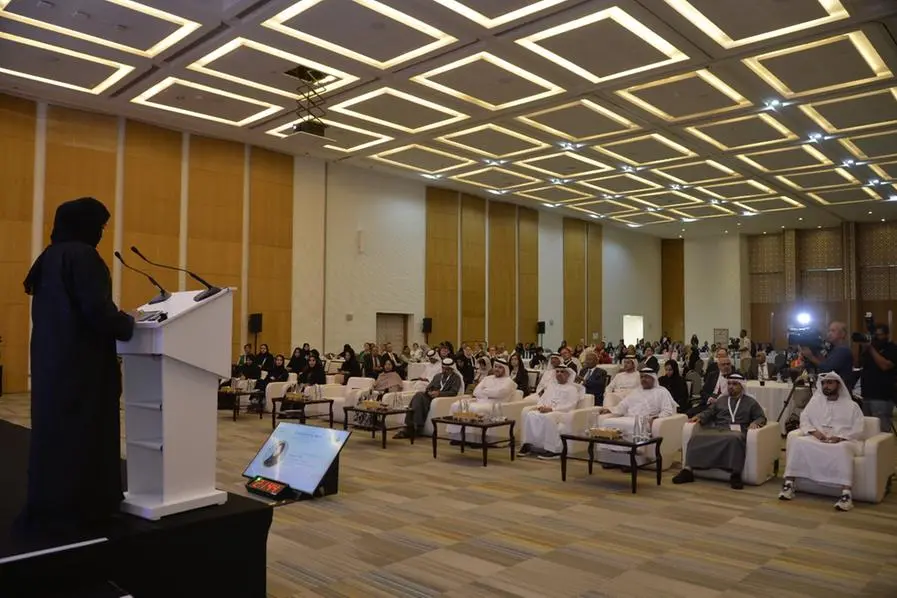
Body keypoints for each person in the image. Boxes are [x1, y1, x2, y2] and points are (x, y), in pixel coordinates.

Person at [21, 197, 136, 530]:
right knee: (86, 433)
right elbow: (97, 312)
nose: (101, 233)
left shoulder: (50, 256)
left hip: (51, 360)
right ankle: (87, 508)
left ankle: (53, 503)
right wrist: (129, 323)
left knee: (55, 434)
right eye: (100, 226)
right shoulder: (83, 256)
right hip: (82, 365)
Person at [778, 372, 865, 511]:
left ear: (838, 385)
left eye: (830, 383)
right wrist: (815, 432)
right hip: (818, 439)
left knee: (842, 450)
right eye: (824, 383)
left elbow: (858, 428)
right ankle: (789, 484)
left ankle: (846, 495)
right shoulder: (815, 402)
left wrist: (840, 437)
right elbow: (804, 419)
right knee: (797, 442)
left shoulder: (852, 406)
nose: (826, 386)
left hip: (843, 441)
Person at [673, 374, 767, 489]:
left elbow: (761, 417)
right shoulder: (721, 400)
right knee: (696, 437)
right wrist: (699, 416)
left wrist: (756, 422)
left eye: (734, 384)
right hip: (719, 429)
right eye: (729, 384)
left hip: (739, 431)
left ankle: (735, 474)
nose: (731, 387)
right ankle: (688, 470)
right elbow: (709, 412)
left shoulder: (750, 402)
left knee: (735, 438)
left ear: (741, 386)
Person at [518, 365, 583, 459]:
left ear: (568, 375)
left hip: (563, 413)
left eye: (562, 372)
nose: (559, 374)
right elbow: (542, 399)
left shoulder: (572, 389)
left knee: (549, 417)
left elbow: (571, 405)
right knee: (530, 414)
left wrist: (552, 409)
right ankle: (528, 444)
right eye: (557, 372)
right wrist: (540, 407)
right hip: (548, 410)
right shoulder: (551, 386)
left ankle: (552, 450)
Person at [445, 359, 516, 440]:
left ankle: (473, 438)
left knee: (475, 409)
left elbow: (499, 393)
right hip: (479, 402)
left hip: (494, 405)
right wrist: (489, 393)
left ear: (505, 369)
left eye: (500, 367)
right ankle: (456, 436)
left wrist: (485, 391)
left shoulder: (509, 381)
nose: (497, 369)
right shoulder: (487, 378)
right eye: (496, 367)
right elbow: (476, 391)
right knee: (456, 405)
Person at [397, 358, 462, 438]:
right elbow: (428, 387)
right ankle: (412, 426)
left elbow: (453, 392)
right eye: (443, 368)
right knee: (418, 396)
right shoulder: (438, 376)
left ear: (452, 369)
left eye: (447, 369)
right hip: (430, 397)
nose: (444, 371)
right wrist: (429, 392)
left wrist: (439, 394)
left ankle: (412, 427)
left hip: (440, 400)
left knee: (419, 399)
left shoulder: (456, 378)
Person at [599, 368, 676, 424]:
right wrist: (610, 410)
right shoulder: (636, 391)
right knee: (608, 423)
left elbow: (667, 410)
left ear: (653, 378)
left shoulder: (661, 391)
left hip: (646, 420)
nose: (643, 379)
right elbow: (623, 405)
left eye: (646, 377)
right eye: (641, 377)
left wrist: (657, 418)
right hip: (629, 418)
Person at [857, 324, 897, 433]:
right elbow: (858, 364)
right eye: (875, 335)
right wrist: (864, 348)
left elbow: (885, 366)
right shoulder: (868, 349)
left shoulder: (892, 348)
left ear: (887, 335)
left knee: (882, 431)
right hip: (866, 395)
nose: (876, 338)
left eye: (879, 335)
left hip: (882, 397)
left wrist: (871, 348)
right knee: (867, 430)